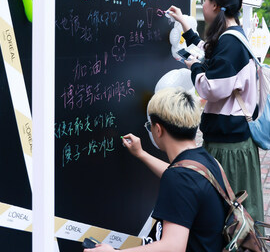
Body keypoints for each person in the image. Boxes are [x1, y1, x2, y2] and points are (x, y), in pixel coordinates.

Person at [166, 0, 264, 222]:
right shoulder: (232, 36)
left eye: (206, 0)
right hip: (231, 138)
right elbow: (208, 52)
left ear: (217, 6)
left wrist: (195, 67)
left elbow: (211, 88)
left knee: (229, 211)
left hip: (229, 144)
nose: (203, 4)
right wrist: (184, 24)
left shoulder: (230, 42)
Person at [84, 87, 227, 252]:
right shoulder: (206, 161)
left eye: (149, 125)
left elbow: (173, 247)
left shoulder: (179, 179)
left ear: (158, 130)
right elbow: (184, 179)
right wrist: (141, 154)